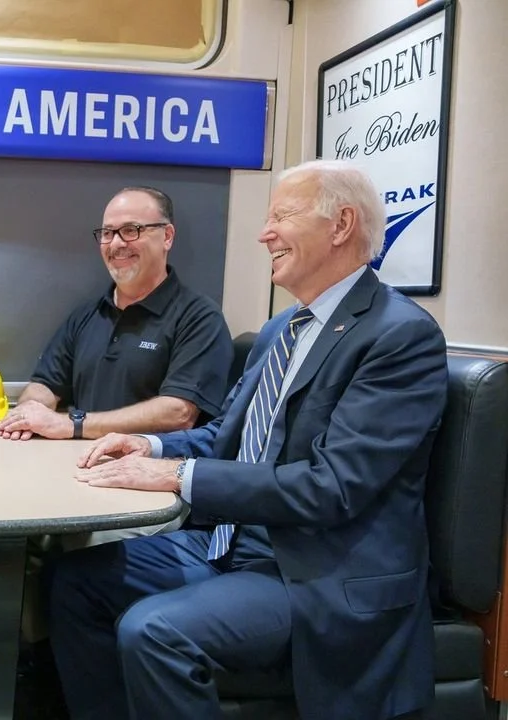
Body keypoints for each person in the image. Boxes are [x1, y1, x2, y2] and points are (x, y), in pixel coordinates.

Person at [49, 160, 448, 720]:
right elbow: (230, 436)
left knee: (153, 630)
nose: (264, 234)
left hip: (316, 573)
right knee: (72, 581)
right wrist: (151, 448)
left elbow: (332, 487)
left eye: (282, 217)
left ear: (340, 225)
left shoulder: (399, 336)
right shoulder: (281, 330)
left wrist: (177, 475)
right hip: (233, 543)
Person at [0, 186, 233, 547]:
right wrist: (30, 412)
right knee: (7, 522)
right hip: (79, 472)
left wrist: (72, 425)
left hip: (151, 489)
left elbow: (179, 412)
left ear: (167, 236)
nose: (116, 243)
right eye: (108, 233)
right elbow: (45, 384)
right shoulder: (88, 315)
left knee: (81, 545)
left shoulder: (199, 318)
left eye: (131, 230)